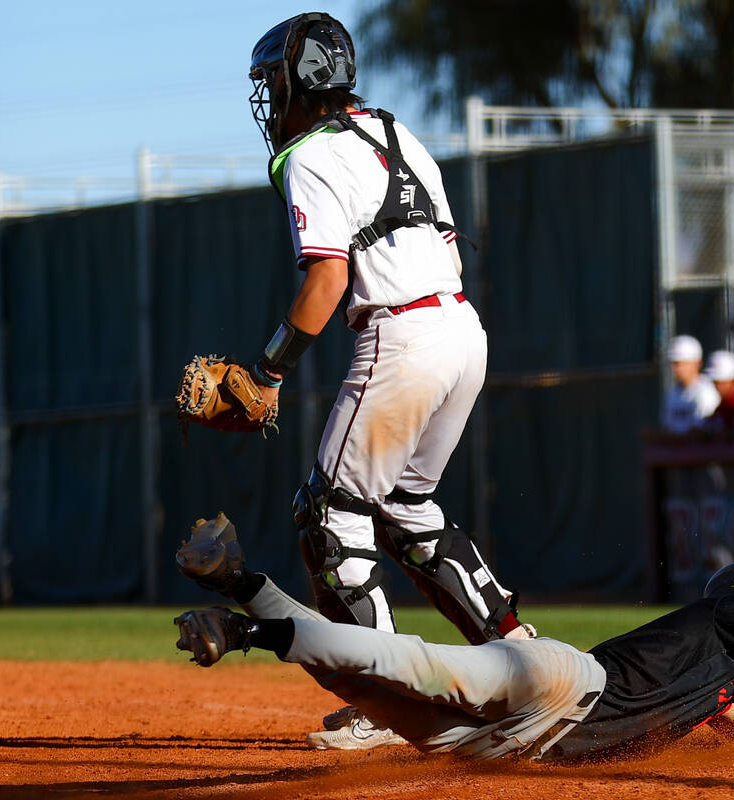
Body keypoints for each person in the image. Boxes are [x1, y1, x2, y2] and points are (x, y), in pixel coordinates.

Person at [230, 12, 535, 749]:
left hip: (401, 336)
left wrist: (267, 370)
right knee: (405, 507)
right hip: (464, 331)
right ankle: (525, 659)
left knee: (327, 515)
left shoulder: (307, 154)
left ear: (300, 83)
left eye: (273, 83)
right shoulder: (401, 136)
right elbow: (441, 247)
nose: (270, 100)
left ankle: (388, 701)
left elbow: (329, 278)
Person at [174, 515, 734, 762]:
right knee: (407, 662)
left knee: (375, 692)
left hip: (529, 745)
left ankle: (243, 583)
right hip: (558, 681)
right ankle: (249, 626)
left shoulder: (718, 686)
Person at [660, 335, 721, 434]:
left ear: (697, 363)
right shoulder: (672, 393)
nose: (677, 368)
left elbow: (703, 433)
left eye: (682, 363)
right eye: (674, 363)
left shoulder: (707, 392)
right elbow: (666, 428)